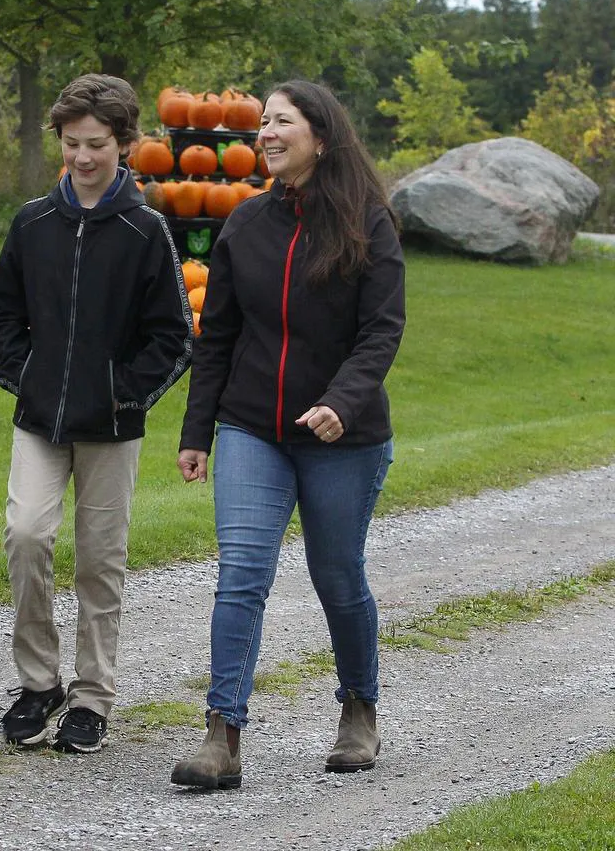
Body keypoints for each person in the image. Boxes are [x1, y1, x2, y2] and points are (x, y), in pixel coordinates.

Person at [170, 80, 405, 790]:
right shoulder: (245, 224)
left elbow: (381, 330)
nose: (265, 133)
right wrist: (198, 429)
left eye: (282, 122)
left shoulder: (368, 222)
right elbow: (218, 337)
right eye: (263, 122)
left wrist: (342, 400)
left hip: (345, 435)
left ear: (321, 137)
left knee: (337, 575)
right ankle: (222, 735)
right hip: (252, 428)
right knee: (241, 573)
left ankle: (358, 710)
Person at [0, 73, 193, 753]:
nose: (82, 157)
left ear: (126, 144)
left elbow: (174, 337)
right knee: (25, 534)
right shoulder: (33, 223)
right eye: (72, 143)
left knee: (100, 561)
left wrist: (121, 392)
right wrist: (25, 376)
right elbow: (5, 315)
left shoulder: (145, 230)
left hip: (112, 425)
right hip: (40, 420)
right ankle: (38, 681)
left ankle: (92, 695)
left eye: (97, 144)